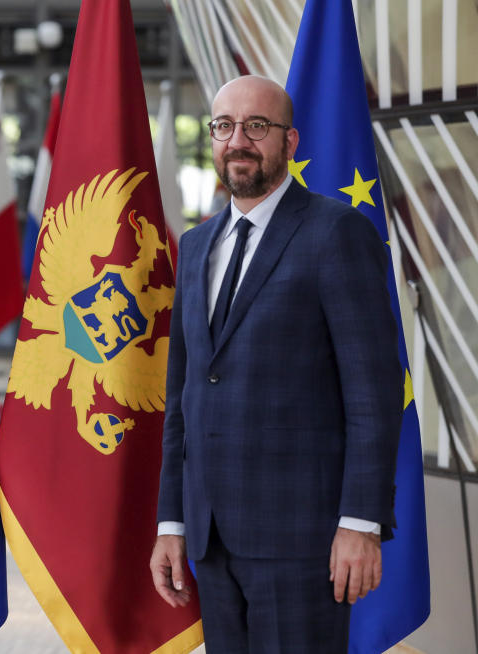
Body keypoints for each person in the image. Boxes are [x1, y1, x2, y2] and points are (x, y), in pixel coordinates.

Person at [150, 75, 402, 653]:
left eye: (256, 126)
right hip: (211, 542)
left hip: (303, 541)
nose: (238, 140)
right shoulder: (194, 246)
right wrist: (172, 524)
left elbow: (373, 392)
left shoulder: (337, 233)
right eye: (223, 126)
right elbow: (183, 399)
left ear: (289, 142)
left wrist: (360, 522)